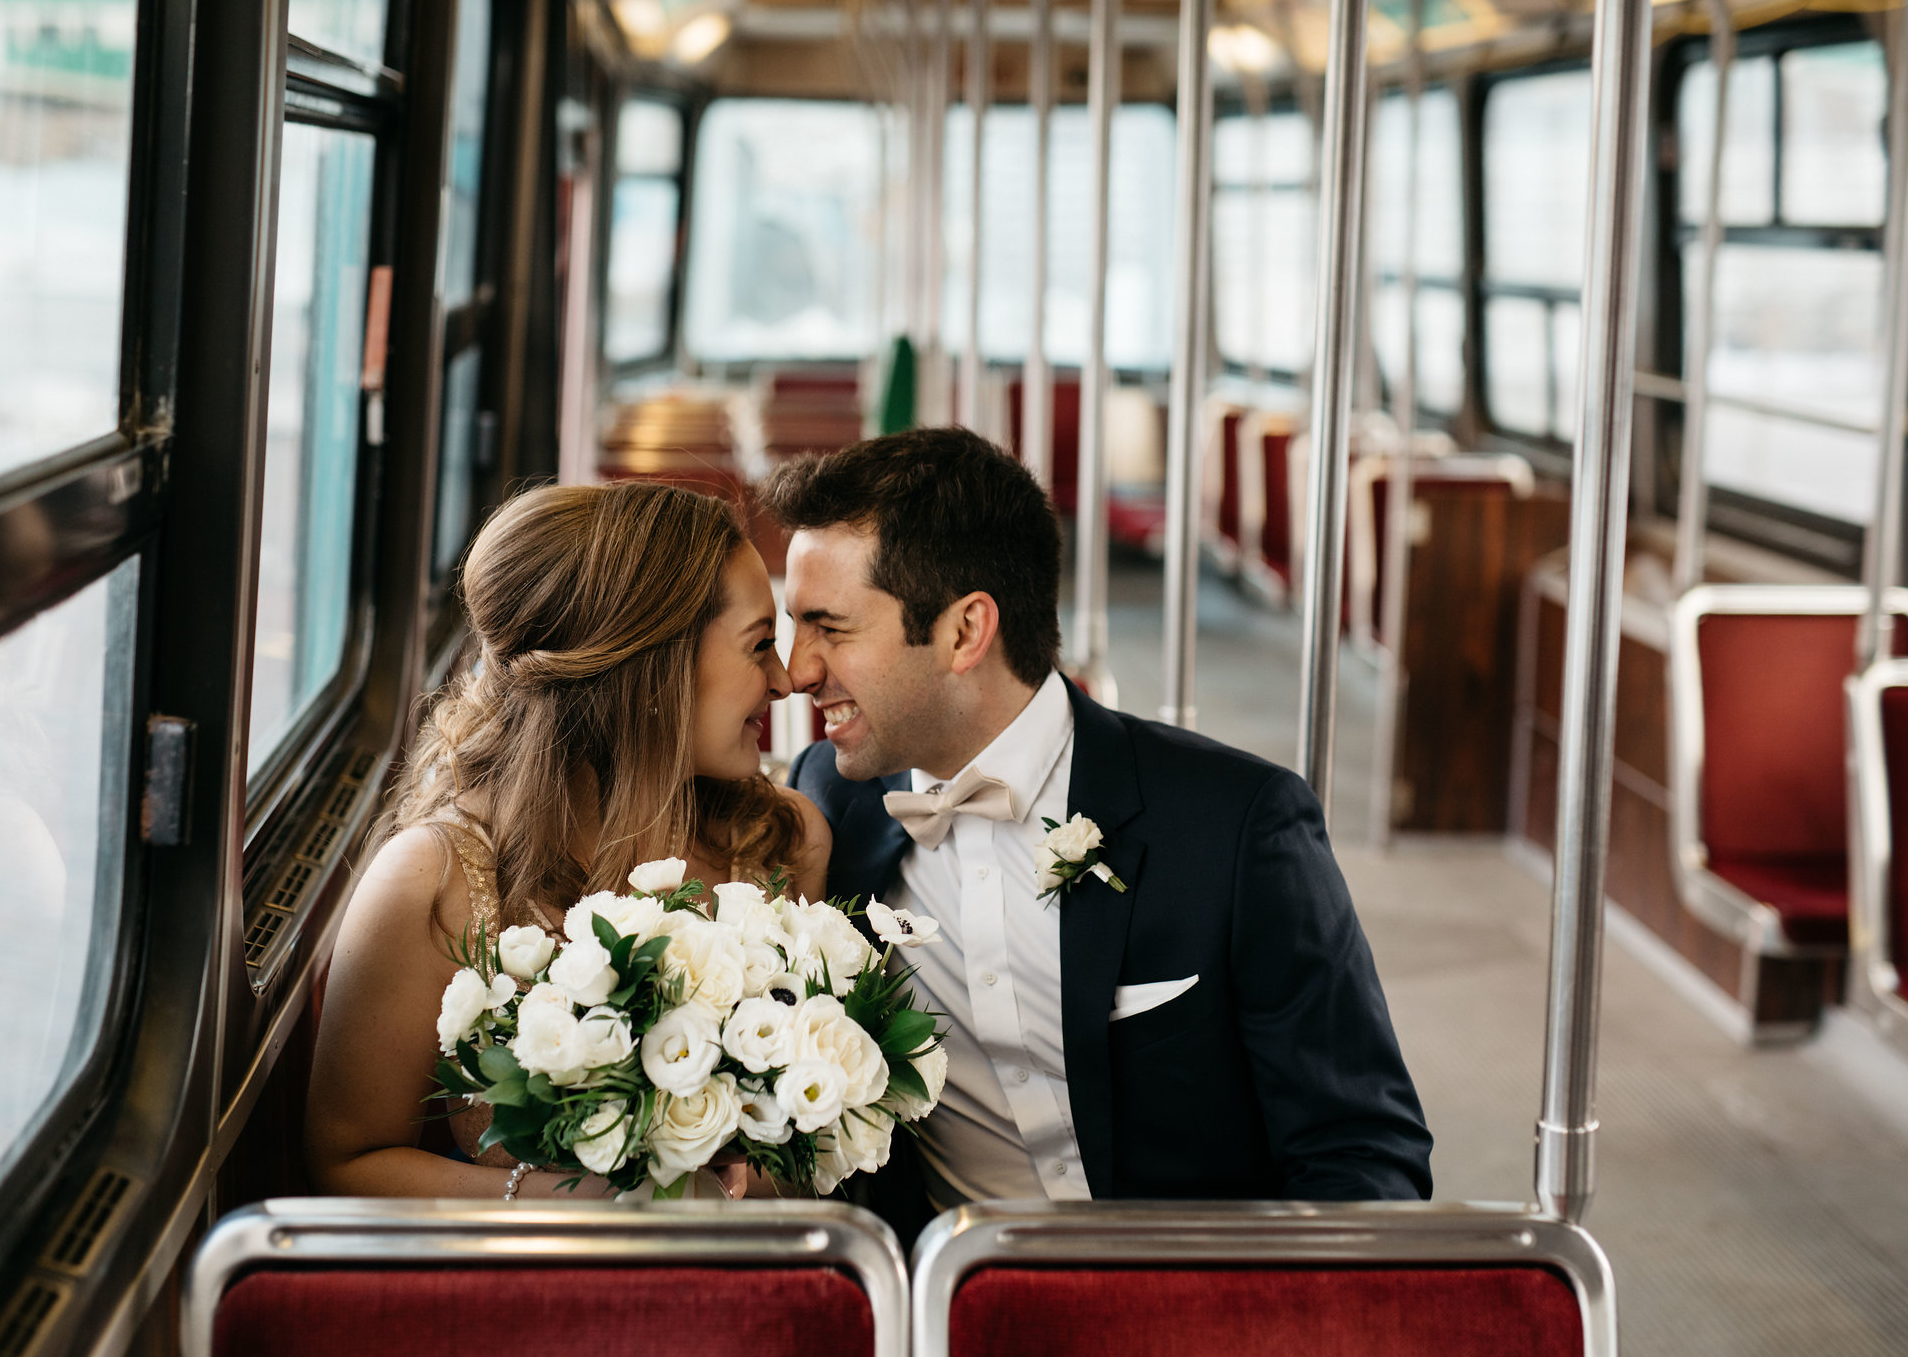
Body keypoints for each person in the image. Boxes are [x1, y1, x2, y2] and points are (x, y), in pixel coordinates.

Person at [762, 427, 1432, 1242]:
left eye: (829, 628)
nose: (797, 670)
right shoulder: (828, 802)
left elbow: (1365, 1153)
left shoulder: (1236, 826)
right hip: (945, 1302)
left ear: (966, 631)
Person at [307, 481, 831, 1199]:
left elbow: (816, 1141)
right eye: (759, 644)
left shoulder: (782, 844)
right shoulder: (433, 882)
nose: (783, 680)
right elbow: (346, 1164)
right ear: (655, 665)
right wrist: (582, 1204)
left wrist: (754, 1177)